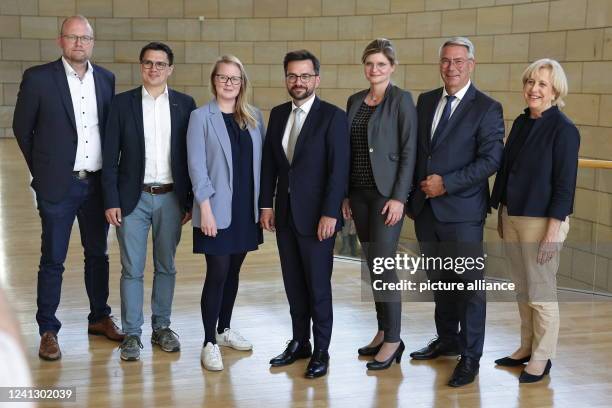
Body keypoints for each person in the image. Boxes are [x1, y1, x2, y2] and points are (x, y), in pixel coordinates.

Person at [12, 15, 123, 361]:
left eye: (85, 38)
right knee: (53, 259)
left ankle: (99, 317)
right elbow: (21, 129)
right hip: (57, 187)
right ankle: (48, 329)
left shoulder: (106, 79)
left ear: (93, 42)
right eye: (73, 37)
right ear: (61, 41)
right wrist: (44, 173)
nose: (79, 44)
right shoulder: (38, 78)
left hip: (97, 186)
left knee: (98, 255)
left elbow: (110, 132)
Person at [407, 37, 504, 387]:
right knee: (440, 281)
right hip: (426, 210)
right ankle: (448, 338)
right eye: (446, 61)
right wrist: (410, 197)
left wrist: (446, 184)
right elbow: (417, 153)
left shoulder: (488, 108)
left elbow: (491, 160)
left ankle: (471, 356)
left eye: (459, 61)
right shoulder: (426, 100)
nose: (452, 67)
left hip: (462, 211)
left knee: (469, 287)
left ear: (472, 64)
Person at [102, 42, 196, 361]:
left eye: (160, 64)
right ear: (141, 67)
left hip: (171, 199)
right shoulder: (121, 104)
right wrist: (111, 200)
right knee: (132, 269)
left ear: (170, 69)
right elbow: (109, 159)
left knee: (166, 266)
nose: (153, 69)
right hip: (132, 199)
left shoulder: (185, 104)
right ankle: (131, 334)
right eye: (148, 63)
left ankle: (162, 327)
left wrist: (189, 201)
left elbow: (191, 158)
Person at [260, 50, 350, 379]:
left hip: (318, 220)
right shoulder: (279, 113)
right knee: (294, 284)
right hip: (285, 216)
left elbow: (338, 171)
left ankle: (322, 350)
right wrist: (266, 205)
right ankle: (300, 342)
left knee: (318, 287)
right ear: (286, 78)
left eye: (305, 76)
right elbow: (270, 163)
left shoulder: (332, 116)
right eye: (292, 76)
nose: (298, 82)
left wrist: (330, 213)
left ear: (317, 79)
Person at [490, 59, 579, 383]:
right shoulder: (522, 122)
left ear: (555, 89)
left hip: (542, 222)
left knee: (541, 292)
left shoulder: (564, 130)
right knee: (523, 289)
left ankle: (542, 358)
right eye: (530, 82)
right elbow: (507, 169)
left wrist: (553, 230)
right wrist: (501, 209)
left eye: (542, 84)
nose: (534, 89)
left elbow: (565, 185)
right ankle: (526, 347)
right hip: (513, 214)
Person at [186, 55, 265, 371]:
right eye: (223, 77)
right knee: (217, 273)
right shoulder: (200, 117)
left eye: (235, 78)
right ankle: (208, 341)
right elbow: (196, 166)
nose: (229, 83)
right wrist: (204, 209)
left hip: (245, 212)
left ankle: (224, 329)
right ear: (214, 80)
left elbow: (260, 167)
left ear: (242, 82)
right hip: (214, 211)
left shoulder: (254, 117)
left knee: (233, 272)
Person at [343, 38, 417, 370]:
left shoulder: (402, 101)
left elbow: (408, 152)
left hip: (386, 196)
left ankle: (394, 339)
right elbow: (348, 150)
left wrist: (400, 198)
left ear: (392, 67)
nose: (375, 70)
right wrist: (344, 194)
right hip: (358, 194)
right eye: (370, 64)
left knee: (385, 265)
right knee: (372, 265)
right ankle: (382, 329)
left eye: (381, 65)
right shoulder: (355, 100)